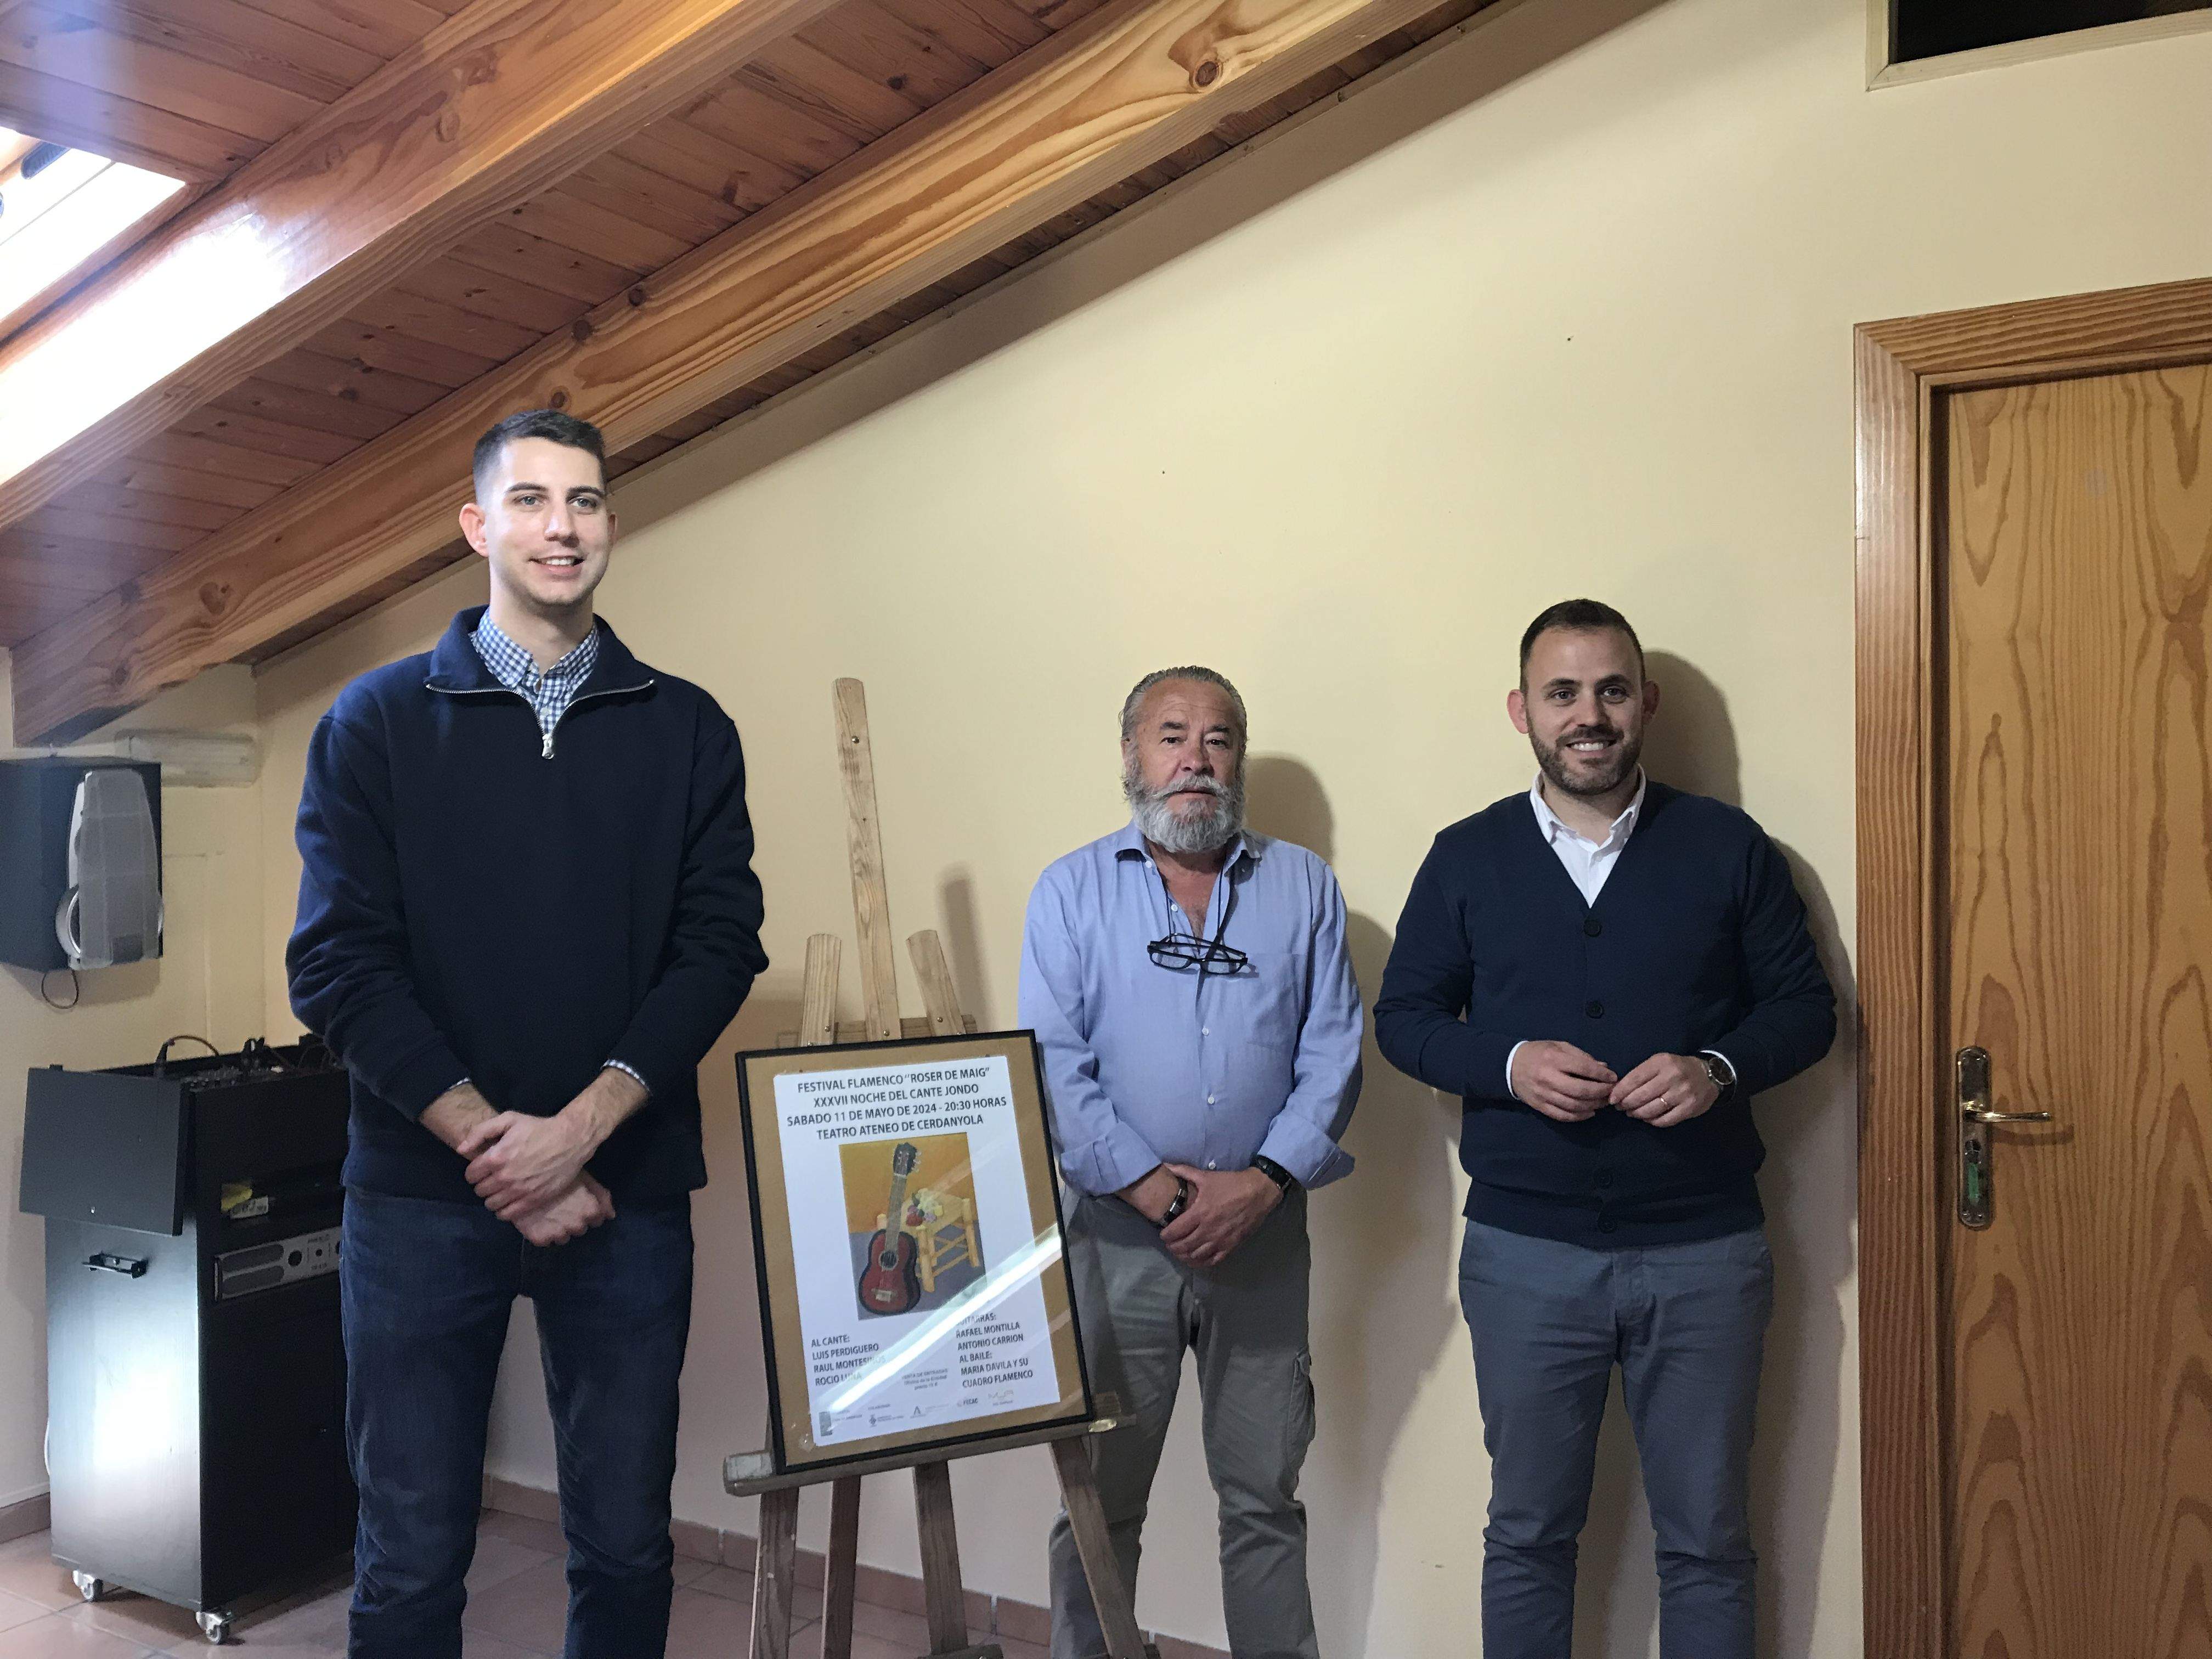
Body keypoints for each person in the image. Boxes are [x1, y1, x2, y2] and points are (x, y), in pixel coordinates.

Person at [286, 409, 768, 1658]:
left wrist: (582, 1132)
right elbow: (336, 964)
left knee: (624, 1546)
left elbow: (719, 950)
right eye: (536, 501)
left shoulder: (688, 728)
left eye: (590, 502)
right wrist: (493, 1148)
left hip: (626, 1194)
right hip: (417, 1199)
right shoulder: (376, 722)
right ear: (478, 527)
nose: (565, 527)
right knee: (407, 1560)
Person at [1373, 600, 1834, 1659]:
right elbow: (1403, 1019)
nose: (1590, 715)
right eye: (1563, 692)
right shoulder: (1467, 856)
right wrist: (1507, 1063)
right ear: (1521, 711)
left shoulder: (1727, 847)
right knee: (1530, 1532)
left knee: (1710, 1542)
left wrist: (1717, 1068)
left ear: (1647, 704)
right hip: (1525, 1255)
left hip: (1706, 1252)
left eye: (1612, 690)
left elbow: (1807, 1012)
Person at [1018, 666, 1363, 1659]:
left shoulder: (1302, 886)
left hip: (1262, 1235)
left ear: (1237, 761)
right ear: (1132, 756)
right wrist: (1160, 1190)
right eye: (1171, 736)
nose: (1194, 760)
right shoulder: (1071, 890)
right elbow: (1053, 1064)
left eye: (1218, 740)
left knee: (1264, 1497)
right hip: (1118, 1241)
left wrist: (1260, 1184)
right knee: (1099, 1502)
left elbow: (1334, 1051)